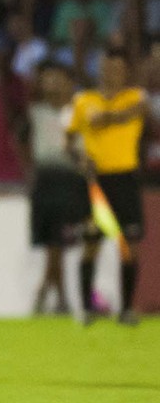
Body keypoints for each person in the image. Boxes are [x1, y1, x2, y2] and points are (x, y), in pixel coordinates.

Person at [66, 48, 147, 326]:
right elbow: (68, 143)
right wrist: (80, 158)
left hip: (125, 179)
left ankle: (126, 309)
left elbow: (136, 112)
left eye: (116, 69)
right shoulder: (84, 100)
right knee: (91, 243)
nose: (111, 74)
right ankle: (87, 308)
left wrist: (106, 118)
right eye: (106, 69)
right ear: (98, 69)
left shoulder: (134, 97)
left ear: (125, 71)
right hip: (95, 181)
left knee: (129, 245)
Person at [24, 62, 86, 315]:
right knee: (53, 242)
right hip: (45, 179)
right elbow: (21, 141)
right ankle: (58, 299)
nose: (52, 85)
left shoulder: (77, 112)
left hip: (69, 178)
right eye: (47, 80)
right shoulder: (35, 112)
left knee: (58, 242)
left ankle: (47, 294)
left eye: (57, 79)